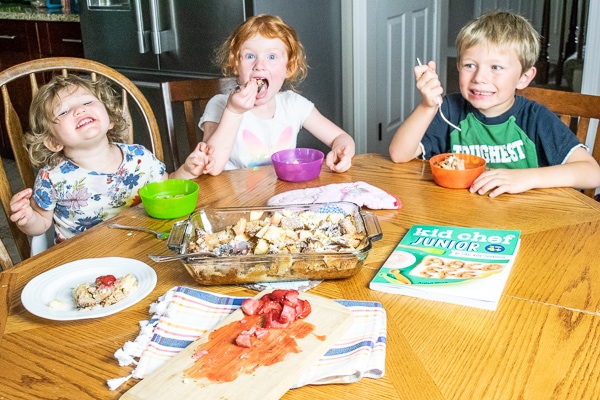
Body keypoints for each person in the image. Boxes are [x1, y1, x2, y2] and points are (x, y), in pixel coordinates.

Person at [389, 11, 600, 197]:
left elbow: (592, 173)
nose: (480, 77)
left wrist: (524, 178)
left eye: (496, 67)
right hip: (461, 219)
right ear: (458, 67)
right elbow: (399, 154)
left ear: (524, 77)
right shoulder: (450, 110)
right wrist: (427, 106)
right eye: (470, 65)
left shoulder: (534, 118)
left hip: (525, 220)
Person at [9, 74, 213, 243]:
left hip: (141, 246)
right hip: (85, 261)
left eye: (88, 102)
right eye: (63, 111)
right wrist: (27, 219)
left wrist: (187, 170)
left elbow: (166, 187)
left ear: (111, 120)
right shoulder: (52, 177)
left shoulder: (139, 158)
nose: (80, 110)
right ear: (53, 141)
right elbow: (41, 223)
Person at [199, 14, 355, 175]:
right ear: (236, 65)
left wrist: (342, 151)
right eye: (250, 56)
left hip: (280, 194)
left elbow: (341, 137)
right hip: (234, 198)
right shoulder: (219, 105)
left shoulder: (293, 105)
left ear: (289, 67)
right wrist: (233, 111)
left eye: (271, 57)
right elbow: (211, 166)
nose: (259, 65)